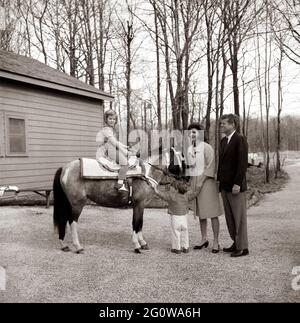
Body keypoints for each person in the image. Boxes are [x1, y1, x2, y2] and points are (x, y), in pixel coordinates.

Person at [186, 122, 223, 253]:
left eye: (194, 132)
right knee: (201, 213)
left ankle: (216, 241)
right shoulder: (190, 149)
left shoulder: (207, 147)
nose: (192, 135)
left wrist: (201, 182)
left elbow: (211, 166)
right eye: (190, 132)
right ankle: (204, 239)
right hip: (195, 182)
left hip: (207, 182)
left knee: (212, 213)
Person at [217, 114, 249, 257]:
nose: (221, 126)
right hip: (224, 185)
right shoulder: (223, 141)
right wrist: (219, 181)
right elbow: (222, 164)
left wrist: (237, 183)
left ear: (233, 125)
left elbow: (242, 164)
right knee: (230, 217)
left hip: (235, 186)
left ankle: (242, 247)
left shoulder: (239, 140)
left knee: (239, 217)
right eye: (221, 123)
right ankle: (236, 243)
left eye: (224, 123)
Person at [150, 180, 201, 254]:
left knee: (176, 233)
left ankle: (177, 248)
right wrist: (198, 189)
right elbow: (194, 195)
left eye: (172, 188)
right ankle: (185, 247)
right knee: (185, 233)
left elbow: (162, 195)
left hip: (175, 218)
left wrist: (156, 190)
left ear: (176, 189)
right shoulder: (186, 196)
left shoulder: (172, 196)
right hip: (184, 218)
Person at [96, 109, 134, 192]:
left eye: (114, 119)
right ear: (106, 119)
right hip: (108, 150)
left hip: (111, 149)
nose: (112, 121)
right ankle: (120, 184)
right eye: (110, 119)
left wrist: (125, 147)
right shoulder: (106, 130)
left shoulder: (110, 129)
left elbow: (116, 142)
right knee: (125, 164)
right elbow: (114, 143)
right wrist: (125, 152)